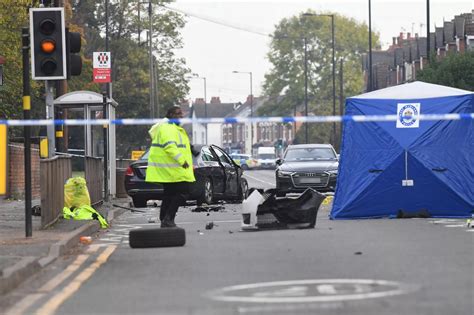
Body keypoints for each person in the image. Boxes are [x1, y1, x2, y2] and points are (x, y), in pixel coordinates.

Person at [145, 106, 195, 228]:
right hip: (174, 168)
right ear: (171, 115)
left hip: (169, 168)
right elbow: (169, 146)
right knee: (183, 192)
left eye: (181, 114)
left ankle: (164, 219)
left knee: (170, 194)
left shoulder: (172, 128)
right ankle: (168, 218)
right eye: (178, 114)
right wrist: (182, 161)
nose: (181, 116)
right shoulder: (168, 128)